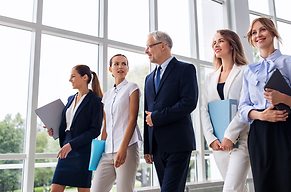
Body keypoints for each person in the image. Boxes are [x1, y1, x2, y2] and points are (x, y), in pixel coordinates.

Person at [238, 17, 291, 192]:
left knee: (290, 182)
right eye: (254, 32)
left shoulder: (289, 62)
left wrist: (281, 98)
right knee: (264, 185)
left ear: (272, 32)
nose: (258, 35)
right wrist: (261, 115)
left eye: (262, 30)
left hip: (286, 128)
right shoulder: (249, 70)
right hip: (260, 133)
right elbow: (242, 109)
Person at [143, 31, 198, 192]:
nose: (146, 51)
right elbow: (147, 112)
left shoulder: (185, 69)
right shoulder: (149, 78)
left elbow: (189, 102)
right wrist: (148, 147)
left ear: (162, 46)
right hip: (157, 147)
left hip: (178, 143)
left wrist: (158, 117)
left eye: (148, 46)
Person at [200, 29, 250, 192]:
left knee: (230, 189)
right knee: (238, 188)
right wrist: (210, 138)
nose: (216, 44)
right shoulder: (209, 77)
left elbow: (245, 106)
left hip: (241, 140)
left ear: (232, 44)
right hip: (218, 143)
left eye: (220, 40)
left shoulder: (246, 71)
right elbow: (203, 110)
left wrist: (230, 135)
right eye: (214, 42)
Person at [46, 65, 103, 192]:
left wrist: (72, 144)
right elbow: (67, 124)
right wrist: (54, 130)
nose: (69, 79)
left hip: (82, 153)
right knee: (55, 189)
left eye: (73, 76)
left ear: (85, 77)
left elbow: (95, 130)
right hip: (66, 151)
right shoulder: (70, 99)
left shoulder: (95, 101)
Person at [91, 54, 142, 192]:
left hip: (127, 148)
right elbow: (106, 126)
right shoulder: (106, 95)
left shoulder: (132, 88)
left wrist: (123, 148)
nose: (120, 66)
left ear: (128, 68)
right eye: (116, 64)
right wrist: (100, 151)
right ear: (110, 69)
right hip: (107, 152)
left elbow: (133, 119)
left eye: (124, 64)